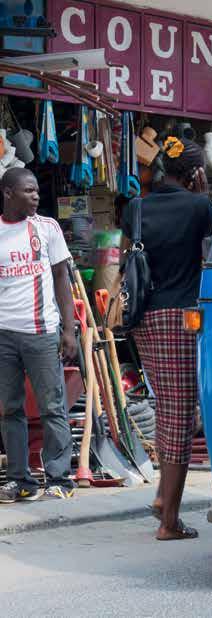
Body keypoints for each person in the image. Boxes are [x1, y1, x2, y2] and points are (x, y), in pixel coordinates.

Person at [122, 136, 212, 540]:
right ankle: (168, 521)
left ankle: (164, 496)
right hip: (181, 316)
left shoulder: (136, 207)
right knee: (179, 415)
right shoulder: (200, 207)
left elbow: (127, 259)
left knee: (169, 406)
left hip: (143, 318)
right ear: (195, 173)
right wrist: (206, 197)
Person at [0, 168, 78, 502]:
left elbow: (62, 278)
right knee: (9, 410)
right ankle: (20, 480)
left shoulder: (47, 228)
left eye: (36, 191)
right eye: (28, 191)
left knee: (52, 407)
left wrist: (69, 329)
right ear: (8, 193)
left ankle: (60, 478)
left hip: (42, 332)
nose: (36, 196)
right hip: (4, 334)